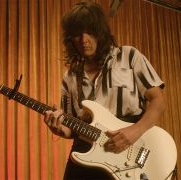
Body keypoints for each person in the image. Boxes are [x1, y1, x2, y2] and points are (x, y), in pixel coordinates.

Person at [43, 1, 166, 179]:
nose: (83, 40)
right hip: (86, 153)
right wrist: (59, 128)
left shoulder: (129, 57)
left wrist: (135, 131)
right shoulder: (70, 76)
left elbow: (159, 101)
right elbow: (71, 128)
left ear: (100, 32)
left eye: (89, 31)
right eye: (77, 34)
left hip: (129, 150)